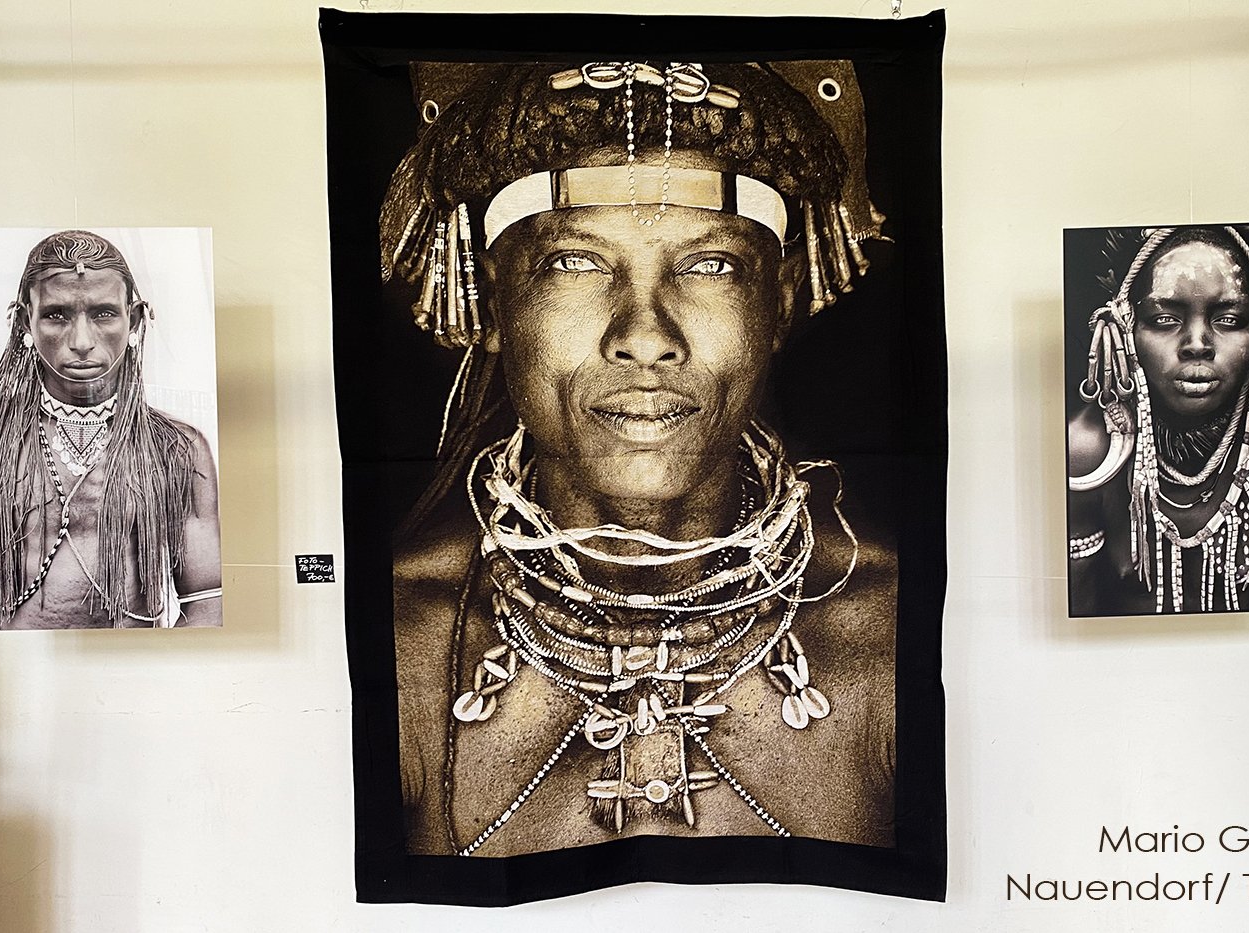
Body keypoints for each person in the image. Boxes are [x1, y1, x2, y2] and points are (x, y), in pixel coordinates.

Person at [382, 60, 897, 857]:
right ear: (496, 300)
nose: (647, 335)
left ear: (780, 300)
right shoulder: (400, 644)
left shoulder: (890, 634)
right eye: (575, 262)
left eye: (711, 265)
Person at [0, 229, 222, 630]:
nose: (81, 341)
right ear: (25, 321)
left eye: (103, 313)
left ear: (134, 319)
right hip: (17, 664)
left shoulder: (177, 448)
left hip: (132, 664)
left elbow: (208, 602)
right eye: (56, 315)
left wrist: (156, 664)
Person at [1067, 225, 1249, 615]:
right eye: (1164, 319)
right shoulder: (1087, 450)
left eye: (1229, 319)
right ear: (1124, 330)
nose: (1197, 344)